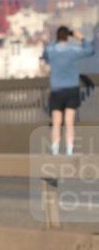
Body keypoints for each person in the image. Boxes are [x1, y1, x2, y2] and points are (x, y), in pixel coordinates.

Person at [42, 25, 97, 155]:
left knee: (56, 122)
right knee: (69, 122)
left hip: (57, 90)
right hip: (72, 89)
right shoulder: (73, 50)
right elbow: (90, 50)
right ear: (67, 37)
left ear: (58, 37)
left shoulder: (52, 51)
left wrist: (56, 41)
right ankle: (69, 151)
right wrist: (80, 37)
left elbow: (45, 54)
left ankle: (55, 152)